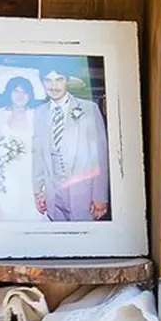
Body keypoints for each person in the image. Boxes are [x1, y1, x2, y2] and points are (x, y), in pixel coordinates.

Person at [32, 64, 110, 222]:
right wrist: (37, 190)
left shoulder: (89, 109)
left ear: (67, 81)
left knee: (85, 242)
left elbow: (100, 155)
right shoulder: (39, 112)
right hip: (53, 193)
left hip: (83, 192)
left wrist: (100, 195)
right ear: (42, 83)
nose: (54, 86)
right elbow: (37, 153)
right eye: (48, 81)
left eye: (59, 80)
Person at [0, 76, 44, 222]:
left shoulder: (36, 114)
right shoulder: (0, 114)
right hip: (7, 170)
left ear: (30, 95)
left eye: (24, 92)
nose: (20, 96)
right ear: (9, 93)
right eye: (16, 91)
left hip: (30, 169)